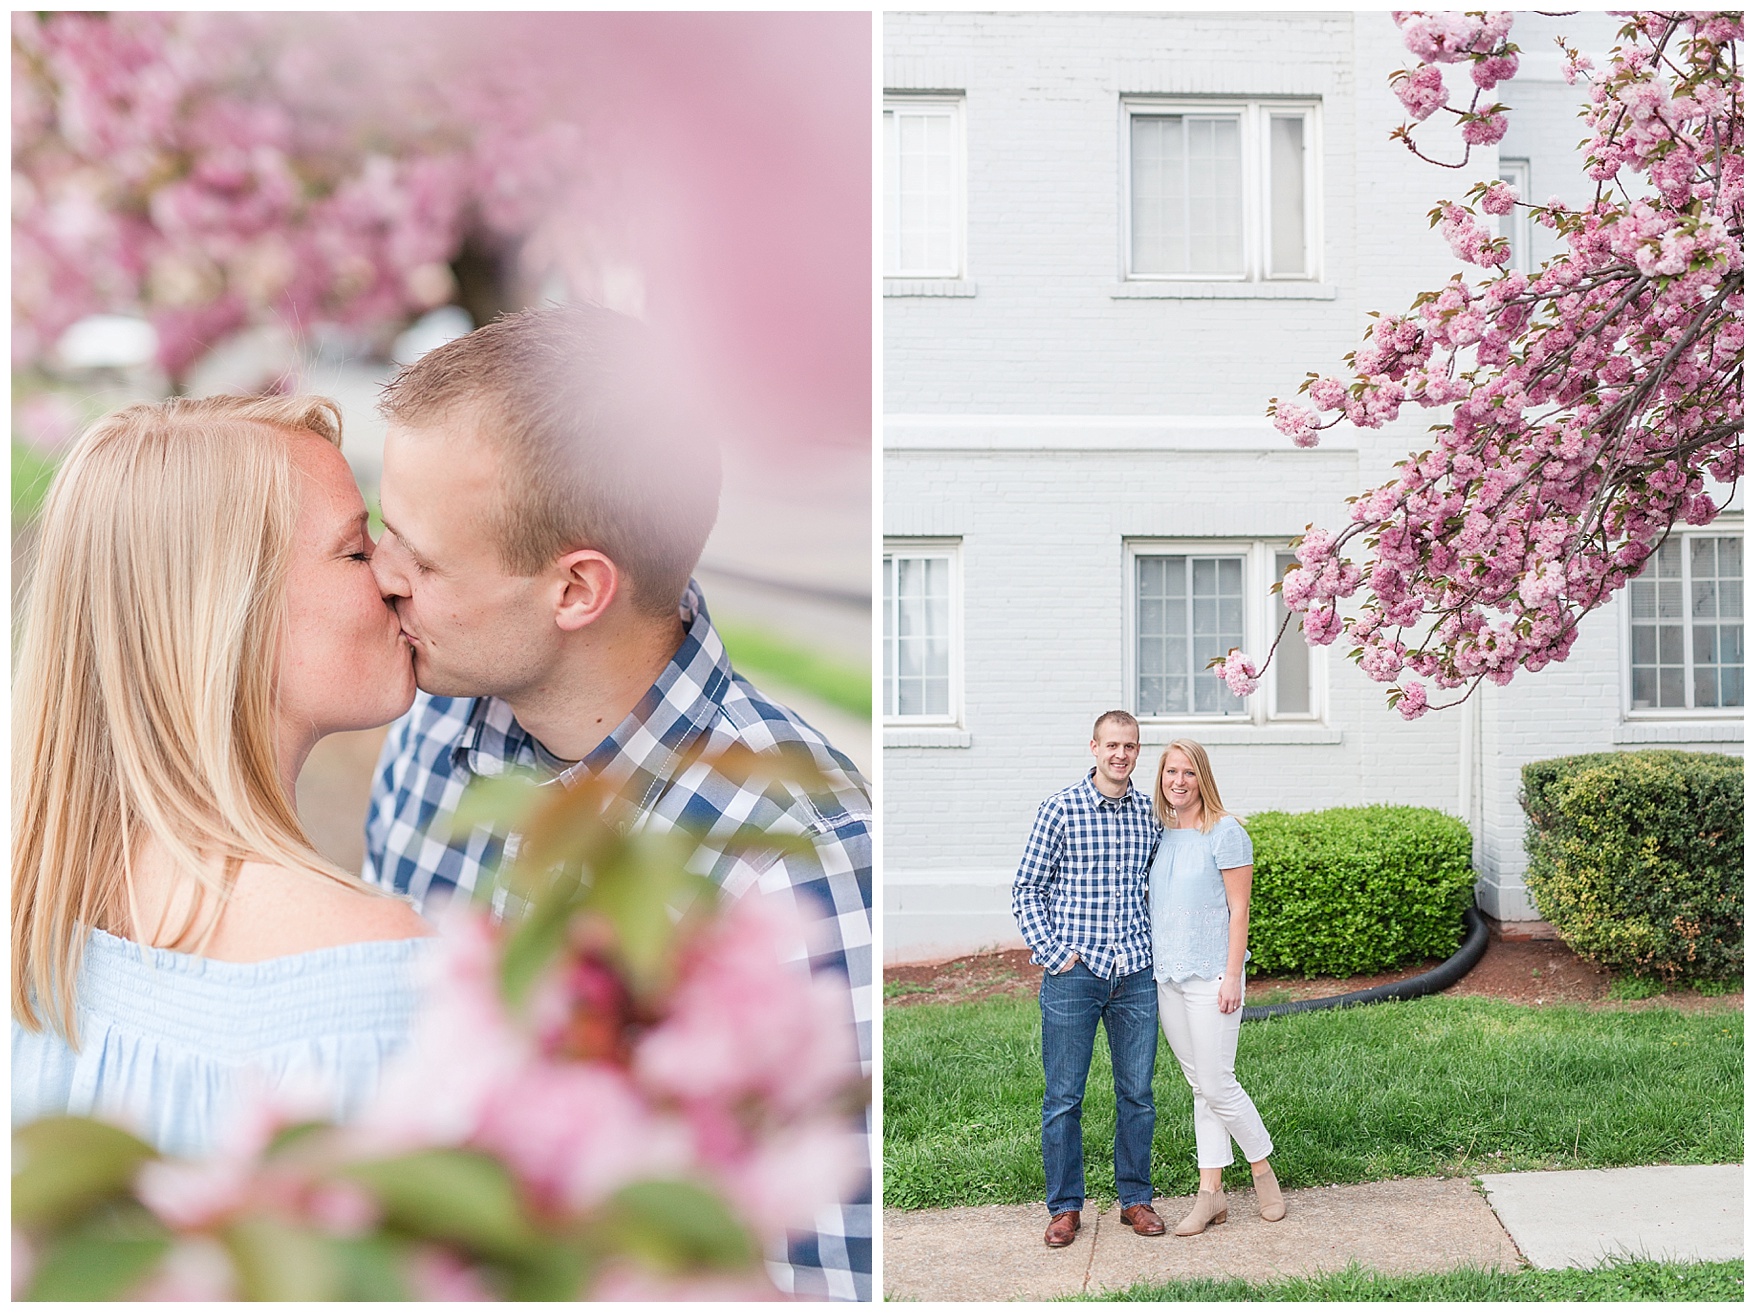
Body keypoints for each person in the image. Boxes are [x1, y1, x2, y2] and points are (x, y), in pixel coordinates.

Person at [359, 302, 873, 1301]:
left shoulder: (803, 866)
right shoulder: (427, 736)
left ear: (575, 589)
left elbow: (827, 1274)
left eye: (419, 558)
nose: (383, 577)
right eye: (384, 533)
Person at [11, 395, 431, 1156]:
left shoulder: (32, 919)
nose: (396, 576)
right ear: (234, 609)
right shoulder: (365, 970)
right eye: (355, 549)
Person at [1011, 710, 1165, 1248]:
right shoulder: (1060, 810)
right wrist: (1055, 955)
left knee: (1138, 1094)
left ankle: (1135, 1199)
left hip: (1135, 972)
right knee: (1063, 1097)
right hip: (1075, 976)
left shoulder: (1149, 814)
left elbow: (1158, 887)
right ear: (1094, 747)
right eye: (1112, 745)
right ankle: (1064, 1207)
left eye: (1131, 746)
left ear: (1138, 751)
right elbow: (1026, 889)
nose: (1121, 754)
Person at [1148, 739, 1285, 1235]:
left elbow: (1239, 909)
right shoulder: (1160, 833)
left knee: (1218, 1082)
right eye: (1170, 773)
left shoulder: (1225, 833)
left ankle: (1262, 1167)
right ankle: (1211, 1196)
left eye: (1187, 772)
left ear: (1202, 776)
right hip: (1168, 977)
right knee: (1198, 1085)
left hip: (1213, 976)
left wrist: (1233, 975)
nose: (1178, 781)